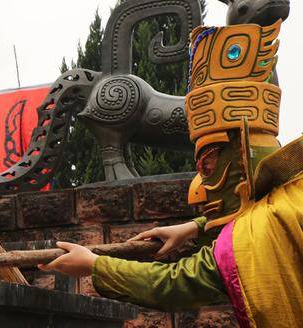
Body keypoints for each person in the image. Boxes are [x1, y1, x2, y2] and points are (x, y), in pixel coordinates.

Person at [39, 19, 303, 327]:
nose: (201, 180)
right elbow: (257, 205)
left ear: (242, 155)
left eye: (209, 161)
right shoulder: (293, 194)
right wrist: (194, 227)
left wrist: (94, 265)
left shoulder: (257, 239)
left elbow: (174, 283)